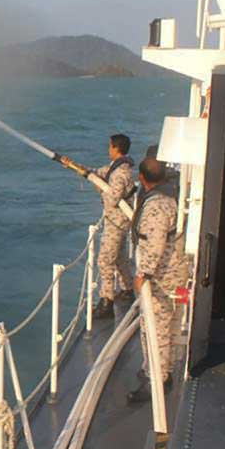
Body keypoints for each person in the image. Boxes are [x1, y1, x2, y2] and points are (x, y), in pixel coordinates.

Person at [126, 158, 188, 404]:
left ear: (142, 178)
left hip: (162, 278)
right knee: (165, 327)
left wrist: (143, 274)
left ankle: (156, 381)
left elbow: (155, 243)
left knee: (155, 329)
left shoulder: (156, 206)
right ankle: (161, 370)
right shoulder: (169, 197)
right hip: (171, 272)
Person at [63, 134, 137, 319]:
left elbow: (112, 199)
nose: (108, 149)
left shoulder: (120, 173)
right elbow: (96, 173)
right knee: (119, 256)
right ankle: (127, 289)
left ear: (116, 148)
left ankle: (107, 302)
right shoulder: (116, 167)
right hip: (117, 220)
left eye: (110, 146)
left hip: (117, 222)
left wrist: (100, 188)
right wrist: (73, 166)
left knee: (104, 260)